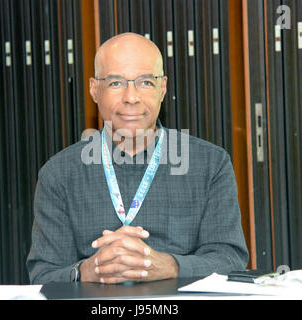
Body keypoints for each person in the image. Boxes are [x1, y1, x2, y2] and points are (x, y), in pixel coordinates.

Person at [26, 32, 248, 284]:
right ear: (94, 89)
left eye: (145, 82)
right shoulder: (59, 174)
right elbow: (43, 276)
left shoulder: (210, 164)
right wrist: (87, 271)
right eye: (115, 83)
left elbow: (230, 259)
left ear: (162, 88)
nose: (131, 97)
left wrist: (171, 266)